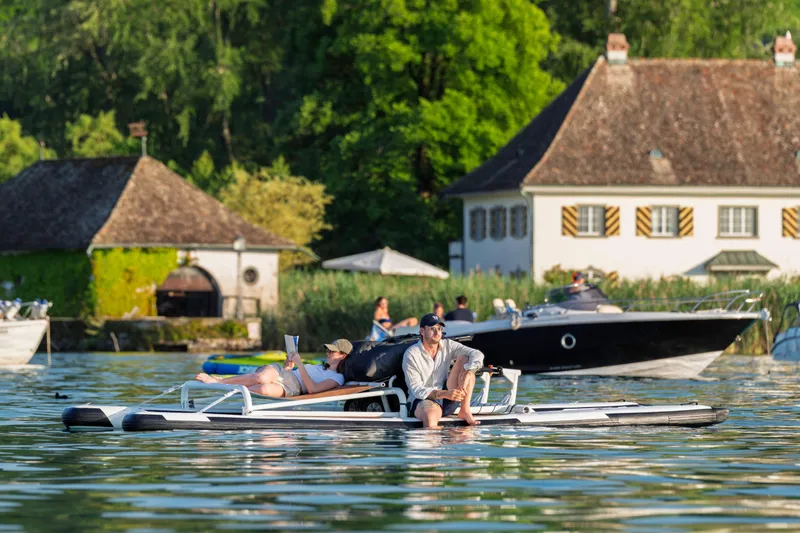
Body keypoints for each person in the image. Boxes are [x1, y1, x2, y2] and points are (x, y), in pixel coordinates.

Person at [402, 313, 485, 428]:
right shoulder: (411, 354)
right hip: (424, 400)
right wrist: (445, 394)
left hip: (449, 396)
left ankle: (465, 410)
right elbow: (417, 390)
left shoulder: (448, 345)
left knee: (465, 359)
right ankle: (435, 441)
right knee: (431, 418)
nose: (437, 333)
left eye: (440, 329)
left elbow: (477, 354)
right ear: (422, 331)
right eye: (432, 329)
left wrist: (469, 371)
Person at [195, 338, 353, 397]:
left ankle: (228, 388)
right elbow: (293, 371)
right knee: (261, 378)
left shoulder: (337, 378)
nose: (327, 352)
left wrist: (299, 364)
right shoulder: (320, 366)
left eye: (332, 350)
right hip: (284, 372)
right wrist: (290, 365)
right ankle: (218, 382)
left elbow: (312, 389)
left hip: (293, 387)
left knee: (264, 389)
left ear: (343, 355)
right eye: (327, 349)